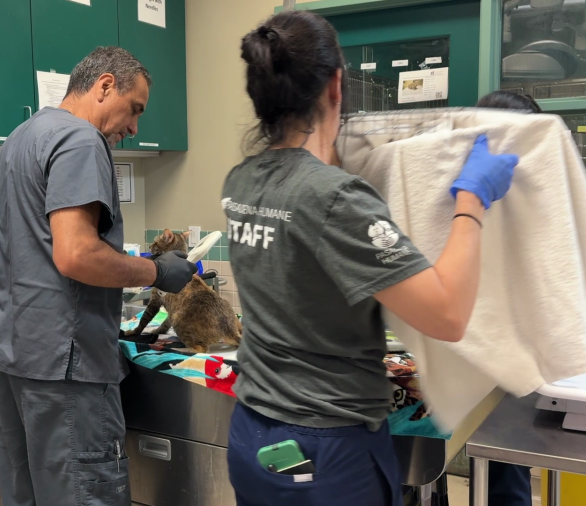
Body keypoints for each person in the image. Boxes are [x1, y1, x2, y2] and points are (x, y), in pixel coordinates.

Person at [222, 11, 519, 506]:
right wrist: (471, 201)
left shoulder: (243, 180)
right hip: (324, 450)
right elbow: (446, 316)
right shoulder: (336, 198)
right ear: (337, 85)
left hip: (253, 432)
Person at [0, 46, 198, 506]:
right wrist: (157, 271)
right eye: (135, 109)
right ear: (104, 86)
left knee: (28, 495)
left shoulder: (21, 137)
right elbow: (77, 254)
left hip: (16, 354)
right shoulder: (82, 141)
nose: (135, 127)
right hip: (67, 364)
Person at [475, 89, 540, 506]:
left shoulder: (538, 196)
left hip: (512, 348)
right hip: (459, 337)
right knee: (430, 459)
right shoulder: (465, 184)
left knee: (506, 463)